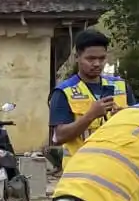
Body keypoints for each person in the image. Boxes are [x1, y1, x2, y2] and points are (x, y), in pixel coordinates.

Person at [48, 29, 129, 165]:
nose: (97, 64)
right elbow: (59, 137)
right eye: (90, 59)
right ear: (77, 57)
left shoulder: (121, 86)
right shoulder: (63, 92)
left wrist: (123, 118)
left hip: (116, 167)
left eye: (102, 58)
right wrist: (90, 116)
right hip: (80, 170)